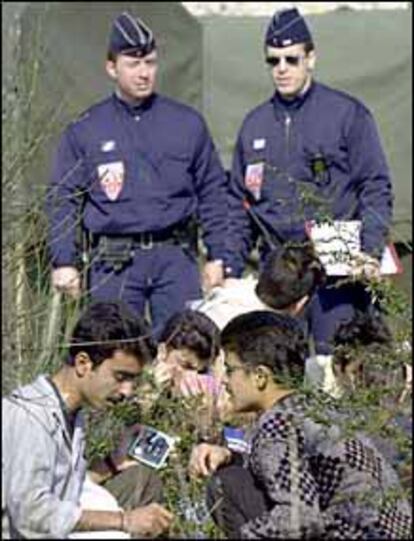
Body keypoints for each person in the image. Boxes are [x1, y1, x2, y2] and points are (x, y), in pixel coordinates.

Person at [46, 11, 229, 335]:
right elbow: (63, 199)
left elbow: (213, 191)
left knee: (182, 354)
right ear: (111, 67)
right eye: (133, 63)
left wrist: (219, 255)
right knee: (113, 353)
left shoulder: (186, 123)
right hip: (113, 264)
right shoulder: (86, 129)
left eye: (150, 63)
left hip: (175, 259)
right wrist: (64, 261)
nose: (144, 73)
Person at [226, 7, 393, 357]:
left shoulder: (346, 115)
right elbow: (238, 204)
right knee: (281, 370)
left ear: (311, 58)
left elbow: (375, 186)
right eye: (274, 61)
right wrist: (230, 265)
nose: (282, 68)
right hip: (279, 276)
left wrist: (371, 250)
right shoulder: (255, 125)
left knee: (334, 366)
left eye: (292, 58)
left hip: (333, 269)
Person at [188, 311, 412, 539]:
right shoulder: (316, 409)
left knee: (227, 483)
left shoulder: (278, 424)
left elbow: (300, 517)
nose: (224, 380)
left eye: (230, 370)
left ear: (260, 377)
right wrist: (231, 457)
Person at [2, 301, 174, 538]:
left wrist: (113, 464)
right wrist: (123, 521)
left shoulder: (73, 415)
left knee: (143, 483)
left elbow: (65, 491)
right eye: (120, 377)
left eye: (133, 381)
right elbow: (30, 514)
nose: (127, 391)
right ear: (84, 363)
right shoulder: (31, 415)